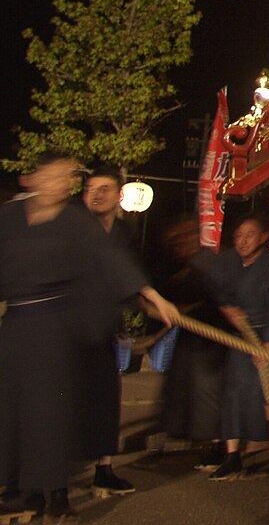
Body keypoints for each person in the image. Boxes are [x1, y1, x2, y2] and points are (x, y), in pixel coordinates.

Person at [0, 154, 178, 523]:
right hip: (16, 326)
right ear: (31, 179)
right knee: (11, 408)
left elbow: (111, 262)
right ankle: (17, 490)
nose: (60, 184)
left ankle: (48, 491)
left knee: (47, 413)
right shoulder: (9, 218)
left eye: (66, 178)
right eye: (53, 176)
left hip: (57, 328)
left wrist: (153, 296)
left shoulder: (76, 222)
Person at [205, 213, 269, 481]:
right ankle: (230, 454)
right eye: (239, 235)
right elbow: (213, 287)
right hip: (232, 337)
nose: (243, 241)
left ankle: (255, 449)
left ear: (263, 238)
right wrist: (226, 308)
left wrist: (268, 347)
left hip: (262, 337)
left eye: (249, 235)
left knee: (256, 396)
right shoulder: (228, 261)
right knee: (230, 392)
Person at [78, 165, 140, 498]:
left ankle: (104, 468)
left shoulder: (124, 233)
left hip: (104, 330)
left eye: (105, 188)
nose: (97, 194)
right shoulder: (72, 228)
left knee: (106, 399)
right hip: (70, 330)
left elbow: (130, 279)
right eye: (91, 188)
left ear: (119, 196)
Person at [157, 218, 225, 464]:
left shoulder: (208, 263)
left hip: (213, 337)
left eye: (186, 238)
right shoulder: (185, 269)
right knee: (183, 386)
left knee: (208, 391)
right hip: (191, 336)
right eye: (176, 242)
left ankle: (218, 445)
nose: (181, 245)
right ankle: (188, 435)